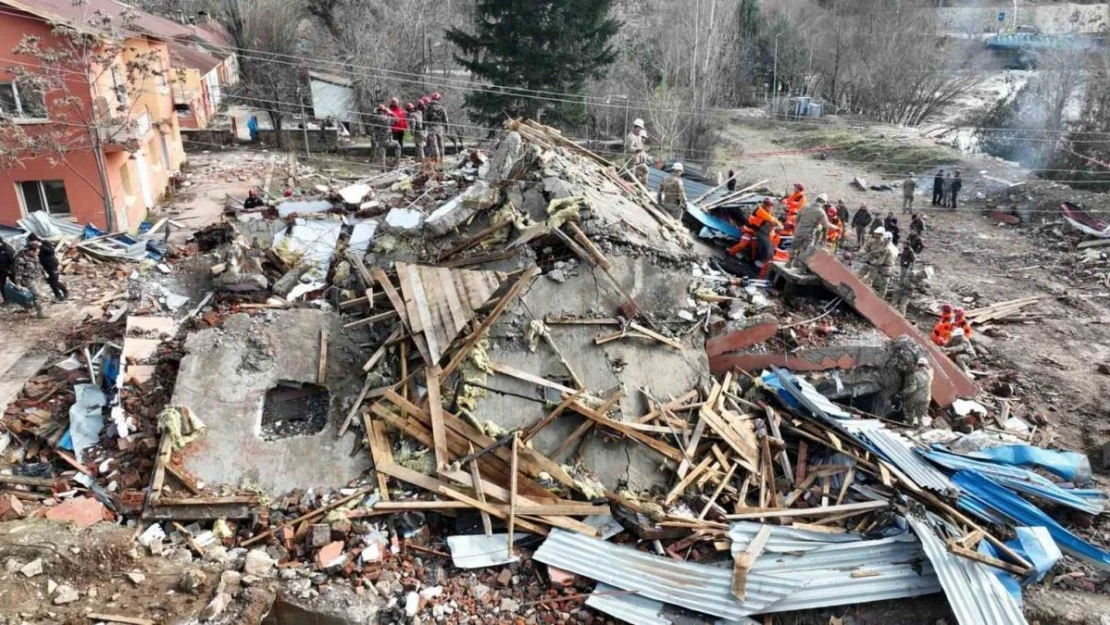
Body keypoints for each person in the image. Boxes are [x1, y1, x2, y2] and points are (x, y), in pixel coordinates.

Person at [788, 197, 832, 268]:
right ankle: (798, 264)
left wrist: (797, 228)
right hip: (809, 233)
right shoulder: (821, 212)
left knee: (794, 247)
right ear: (823, 203)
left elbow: (797, 218)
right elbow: (826, 224)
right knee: (806, 249)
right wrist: (835, 227)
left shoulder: (805, 206)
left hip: (799, 230)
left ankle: (789, 262)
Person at [29, 235, 67, 302]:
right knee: (50, 282)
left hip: (52, 265)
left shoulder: (45, 242)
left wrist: (41, 246)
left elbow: (51, 252)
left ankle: (65, 291)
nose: (32, 243)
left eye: (32, 241)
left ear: (36, 240)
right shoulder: (33, 247)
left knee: (54, 281)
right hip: (44, 267)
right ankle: (58, 296)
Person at [13, 241, 44, 318]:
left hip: (36, 277)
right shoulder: (21, 259)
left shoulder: (35, 256)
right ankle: (40, 313)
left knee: (36, 295)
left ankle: (31, 307)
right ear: (30, 251)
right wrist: (18, 283)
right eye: (36, 252)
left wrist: (44, 272)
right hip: (28, 279)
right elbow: (18, 272)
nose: (38, 254)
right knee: (38, 294)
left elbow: (39, 265)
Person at [902, 357, 934, 428]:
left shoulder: (915, 375)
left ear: (918, 365)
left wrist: (902, 393)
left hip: (916, 398)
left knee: (909, 410)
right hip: (927, 398)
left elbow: (912, 388)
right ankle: (921, 427)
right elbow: (930, 368)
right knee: (921, 415)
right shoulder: (930, 374)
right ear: (926, 365)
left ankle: (909, 425)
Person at [624, 118, 650, 186]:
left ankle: (642, 185)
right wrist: (636, 150)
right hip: (631, 161)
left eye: (641, 128)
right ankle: (634, 187)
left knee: (646, 169)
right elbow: (629, 148)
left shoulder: (638, 136)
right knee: (632, 177)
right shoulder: (631, 137)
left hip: (638, 161)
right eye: (639, 128)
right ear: (635, 127)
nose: (640, 129)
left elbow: (641, 147)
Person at [872, 231, 899, 298]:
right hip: (891, 268)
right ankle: (881, 297)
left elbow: (880, 261)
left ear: (889, 239)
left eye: (885, 239)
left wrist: (873, 262)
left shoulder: (887, 249)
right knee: (885, 285)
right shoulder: (896, 249)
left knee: (875, 280)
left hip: (884, 268)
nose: (883, 240)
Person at [424, 92, 449, 163]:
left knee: (434, 146)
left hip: (431, 128)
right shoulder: (442, 108)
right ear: (439, 99)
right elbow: (446, 120)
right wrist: (447, 129)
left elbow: (425, 120)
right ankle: (442, 160)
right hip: (440, 128)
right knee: (441, 145)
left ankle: (437, 161)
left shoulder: (427, 107)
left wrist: (424, 129)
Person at [0, 240, 13, 305]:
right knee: (2, 285)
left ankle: (25, 297)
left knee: (17, 283)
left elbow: (12, 259)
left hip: (9, 269)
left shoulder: (7, 248)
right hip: (2, 270)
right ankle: (6, 300)